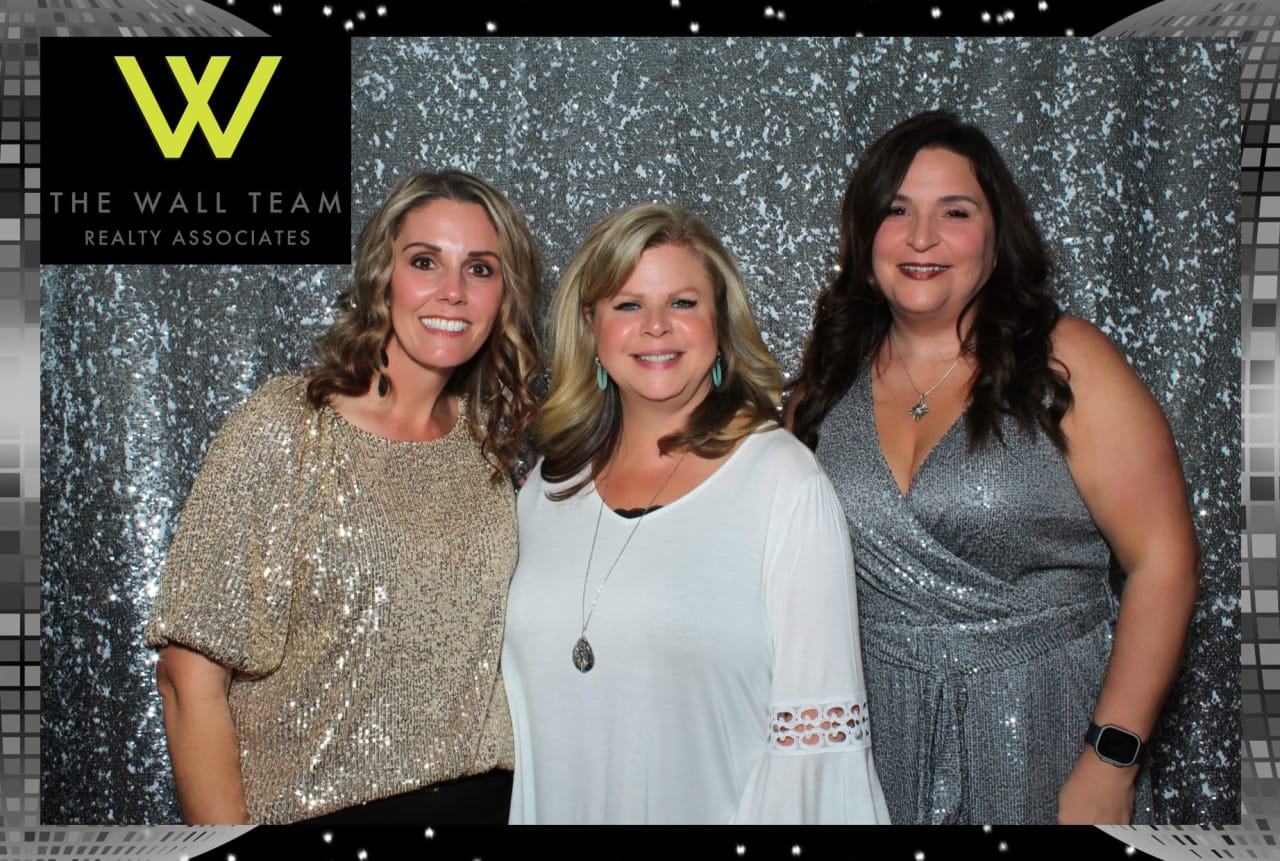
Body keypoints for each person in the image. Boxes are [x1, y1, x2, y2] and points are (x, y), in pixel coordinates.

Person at [787, 110, 1200, 825]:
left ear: (995, 233)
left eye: (955, 212)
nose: (922, 238)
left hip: (1045, 731)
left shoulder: (1067, 361)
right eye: (897, 212)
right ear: (865, 237)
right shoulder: (825, 380)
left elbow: (1164, 561)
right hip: (868, 742)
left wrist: (1111, 757)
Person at [144, 170, 542, 824]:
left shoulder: (492, 451)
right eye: (424, 261)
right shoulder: (286, 431)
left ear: (505, 295)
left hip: (487, 809)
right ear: (381, 276)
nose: (452, 291)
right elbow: (188, 681)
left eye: (480, 268)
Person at [502, 203, 889, 824]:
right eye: (628, 305)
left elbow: (816, 752)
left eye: (682, 303)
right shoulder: (546, 490)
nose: (656, 326)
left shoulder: (783, 484)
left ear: (720, 327)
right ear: (590, 326)